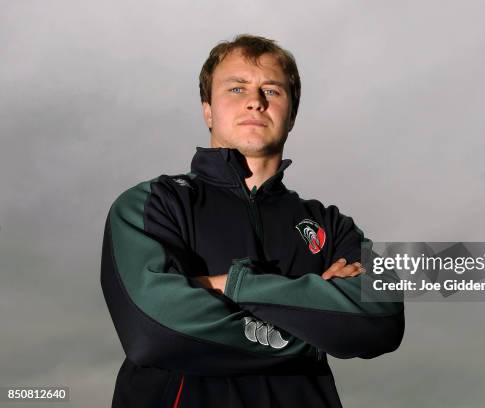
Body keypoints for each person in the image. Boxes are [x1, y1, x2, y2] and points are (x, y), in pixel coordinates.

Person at [100, 34, 404, 408]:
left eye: (272, 91)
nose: (255, 102)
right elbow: (155, 330)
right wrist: (313, 328)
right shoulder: (153, 204)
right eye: (236, 88)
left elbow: (383, 316)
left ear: (291, 114)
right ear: (208, 109)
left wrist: (230, 286)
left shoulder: (330, 224)